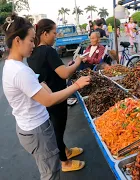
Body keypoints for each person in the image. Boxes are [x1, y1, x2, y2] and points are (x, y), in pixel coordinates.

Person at [1, 15, 90, 179]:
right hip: (37, 131)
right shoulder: (20, 71)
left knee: (51, 165)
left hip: (31, 126)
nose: (32, 45)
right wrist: (76, 85)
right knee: (50, 173)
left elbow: (39, 85)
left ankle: (64, 152)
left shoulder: (14, 66)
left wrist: (46, 87)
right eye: (30, 40)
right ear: (17, 41)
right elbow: (48, 100)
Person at [28, 18, 87, 173]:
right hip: (56, 96)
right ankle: (64, 162)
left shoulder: (32, 53)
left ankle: (65, 150)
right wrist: (78, 61)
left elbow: (53, 70)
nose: (56, 36)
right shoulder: (48, 51)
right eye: (54, 33)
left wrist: (67, 66)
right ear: (45, 33)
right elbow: (64, 73)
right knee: (57, 129)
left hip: (47, 95)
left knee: (56, 127)